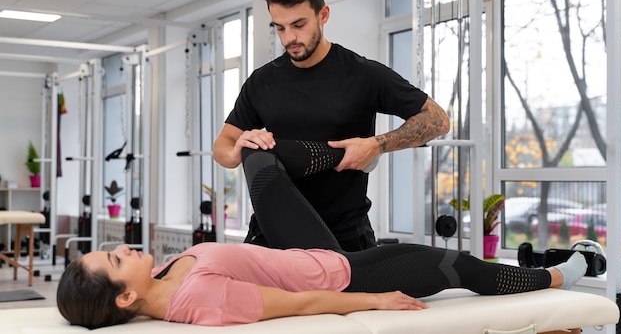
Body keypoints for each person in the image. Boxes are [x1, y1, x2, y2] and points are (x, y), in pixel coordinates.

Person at [57, 144, 587, 329]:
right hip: (338, 270)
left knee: (258, 154)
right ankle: (569, 271)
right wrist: (373, 299)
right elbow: (297, 302)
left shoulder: (167, 277)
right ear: (126, 295)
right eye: (115, 257)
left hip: (296, 249)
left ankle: (357, 147)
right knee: (461, 268)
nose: (123, 248)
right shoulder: (201, 299)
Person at [213, 0, 450, 251]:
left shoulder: (363, 74)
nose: (289, 38)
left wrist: (376, 145)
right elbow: (222, 148)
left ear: (323, 15)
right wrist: (239, 146)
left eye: (299, 25)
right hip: (273, 237)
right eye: (280, 27)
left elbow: (437, 120)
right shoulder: (262, 82)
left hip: (344, 238)